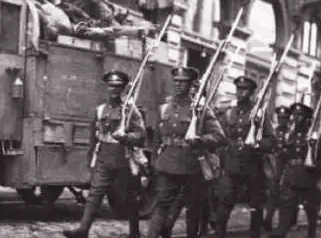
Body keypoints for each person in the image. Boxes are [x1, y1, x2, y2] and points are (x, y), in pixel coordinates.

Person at [63, 70, 146, 238]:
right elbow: (94, 137)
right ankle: (83, 230)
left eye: (117, 86)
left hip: (123, 158)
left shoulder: (131, 110)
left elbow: (141, 134)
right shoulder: (100, 110)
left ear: (123, 88)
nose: (113, 90)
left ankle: (135, 231)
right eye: (110, 86)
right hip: (103, 157)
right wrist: (90, 159)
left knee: (128, 196)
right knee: (95, 194)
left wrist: (127, 137)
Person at [146, 66, 226, 238]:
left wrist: (201, 140)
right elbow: (156, 138)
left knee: (193, 208)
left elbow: (219, 136)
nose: (179, 85)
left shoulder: (201, 110)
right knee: (161, 204)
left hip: (192, 165)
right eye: (177, 81)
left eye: (184, 82)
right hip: (167, 163)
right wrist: (154, 160)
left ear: (192, 85)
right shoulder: (165, 108)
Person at [213, 76, 274, 238]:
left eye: (245, 89)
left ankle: (255, 235)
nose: (241, 93)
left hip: (252, 165)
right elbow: (219, 135)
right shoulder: (229, 112)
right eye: (239, 89)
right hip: (231, 164)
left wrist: (258, 144)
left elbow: (271, 140)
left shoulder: (259, 114)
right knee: (224, 203)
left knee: (255, 205)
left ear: (252, 92)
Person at [270, 102, 321, 238]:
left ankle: (311, 233)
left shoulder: (316, 136)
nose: (295, 118)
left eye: (299, 115)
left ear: (307, 118)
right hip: (291, 176)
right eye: (294, 114)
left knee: (311, 210)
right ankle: (281, 232)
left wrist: (314, 172)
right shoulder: (289, 134)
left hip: (308, 178)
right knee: (285, 206)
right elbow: (283, 157)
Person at [264, 105, 292, 231]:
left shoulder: (291, 133)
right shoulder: (273, 132)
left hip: (287, 169)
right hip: (275, 168)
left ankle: (283, 224)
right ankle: (268, 221)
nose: (282, 120)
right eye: (280, 118)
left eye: (285, 118)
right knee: (272, 196)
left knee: (285, 198)